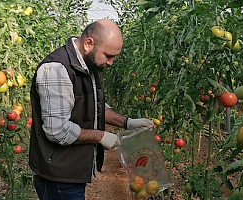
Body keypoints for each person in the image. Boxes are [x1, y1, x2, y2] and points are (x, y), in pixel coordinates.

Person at [29, 19, 154, 200]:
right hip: (57, 177)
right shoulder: (57, 69)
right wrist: (100, 136)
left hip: (70, 171)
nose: (111, 62)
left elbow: (96, 107)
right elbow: (57, 130)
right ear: (89, 44)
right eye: (108, 56)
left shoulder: (87, 66)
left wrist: (127, 123)